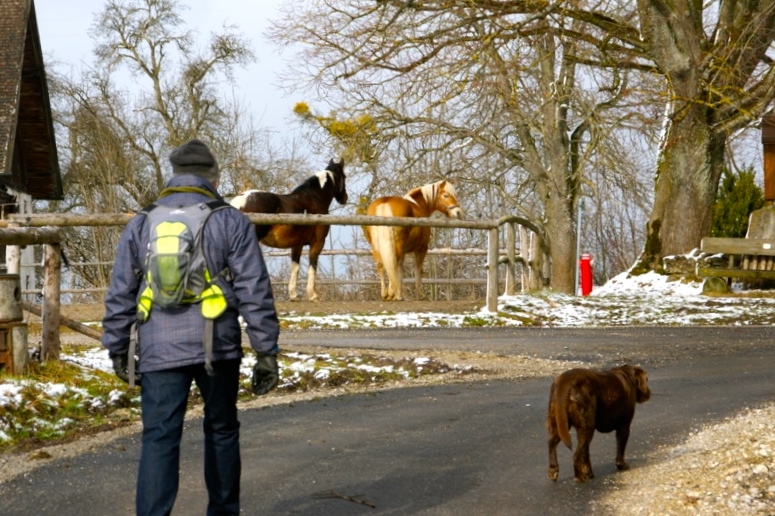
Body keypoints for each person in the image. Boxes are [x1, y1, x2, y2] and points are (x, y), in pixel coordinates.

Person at [102, 138, 280, 516]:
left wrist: (117, 348)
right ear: (213, 177)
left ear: (174, 174)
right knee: (221, 431)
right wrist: (266, 351)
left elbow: (121, 291)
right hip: (218, 344)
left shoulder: (142, 222)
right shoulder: (230, 220)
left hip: (158, 347)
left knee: (160, 438)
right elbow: (254, 289)